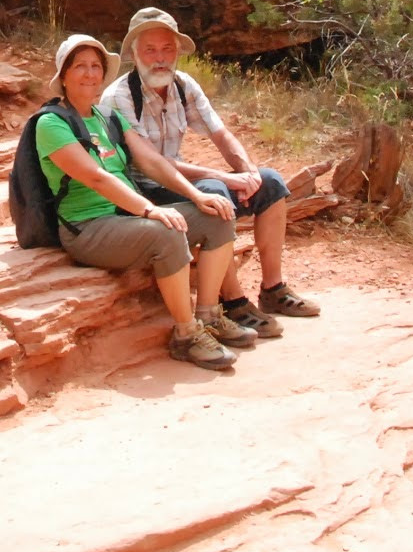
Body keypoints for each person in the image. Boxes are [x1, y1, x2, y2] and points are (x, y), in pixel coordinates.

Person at [32, 33, 258, 371]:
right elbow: (96, 177)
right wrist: (149, 209)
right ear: (63, 75)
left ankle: (209, 314)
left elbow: (151, 161)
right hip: (88, 229)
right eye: (80, 66)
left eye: (96, 66)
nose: (90, 74)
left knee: (218, 214)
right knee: (165, 233)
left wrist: (197, 195)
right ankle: (185, 335)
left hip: (123, 218)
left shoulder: (107, 118)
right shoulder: (51, 123)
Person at [102, 7, 321, 339]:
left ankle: (273, 289)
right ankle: (233, 302)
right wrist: (226, 179)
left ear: (177, 51)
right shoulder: (118, 96)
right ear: (133, 53)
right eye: (150, 49)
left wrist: (248, 172)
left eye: (166, 49)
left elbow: (220, 134)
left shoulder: (182, 85)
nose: (159, 58)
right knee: (217, 197)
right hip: (146, 190)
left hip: (183, 182)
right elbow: (152, 163)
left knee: (272, 184)